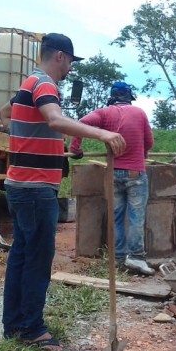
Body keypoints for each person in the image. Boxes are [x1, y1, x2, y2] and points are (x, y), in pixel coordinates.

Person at [0, 33, 126, 351]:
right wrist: (102, 134)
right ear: (59, 56)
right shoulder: (44, 84)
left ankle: (14, 324)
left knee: (21, 256)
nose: (70, 67)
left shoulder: (28, 84)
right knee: (38, 260)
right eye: (70, 61)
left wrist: (40, 143)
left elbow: (5, 112)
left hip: (18, 184)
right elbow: (55, 120)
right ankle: (31, 329)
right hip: (35, 187)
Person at [69, 81, 155, 275]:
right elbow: (149, 141)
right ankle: (136, 258)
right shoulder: (139, 113)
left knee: (116, 217)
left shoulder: (103, 113)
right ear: (129, 97)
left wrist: (75, 148)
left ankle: (117, 258)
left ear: (113, 97)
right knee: (136, 218)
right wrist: (143, 154)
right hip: (135, 174)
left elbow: (80, 124)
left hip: (113, 173)